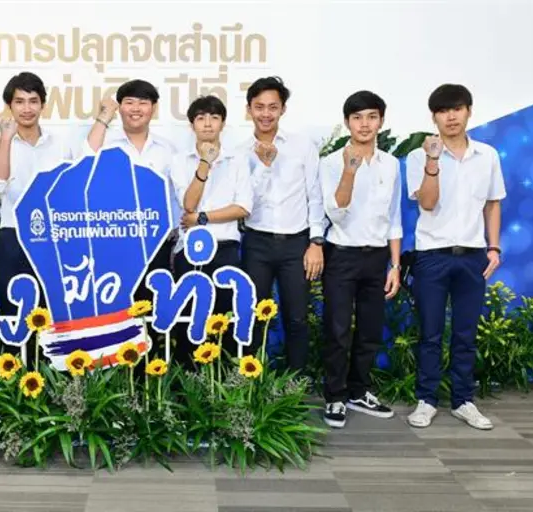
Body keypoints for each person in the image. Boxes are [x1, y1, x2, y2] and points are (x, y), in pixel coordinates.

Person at [406, 84, 505, 430]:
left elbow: (493, 203)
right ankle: (426, 400)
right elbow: (427, 202)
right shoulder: (419, 156)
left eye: (457, 109)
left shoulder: (487, 155)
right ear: (433, 117)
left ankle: (464, 401)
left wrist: (494, 247)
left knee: (465, 333)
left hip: (473, 256)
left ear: (469, 112)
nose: (451, 117)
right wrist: (433, 161)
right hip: (431, 256)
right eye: (443, 111)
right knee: (430, 333)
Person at [318, 91, 402, 428]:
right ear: (346, 123)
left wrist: (395, 265)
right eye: (357, 118)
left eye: (371, 117)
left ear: (381, 121)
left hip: (377, 256)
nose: (364, 124)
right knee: (337, 330)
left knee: (369, 329)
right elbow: (335, 213)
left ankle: (359, 391)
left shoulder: (391, 164)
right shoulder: (329, 163)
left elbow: (394, 217)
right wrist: (349, 172)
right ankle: (335, 396)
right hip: (342, 254)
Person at [84, 79, 178, 357]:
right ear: (120, 107)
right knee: (116, 313)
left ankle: (152, 375)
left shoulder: (167, 149)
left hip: (157, 245)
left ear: (154, 108)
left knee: (153, 314)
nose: (136, 109)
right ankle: (116, 374)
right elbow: (85, 161)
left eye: (143, 103)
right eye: (129, 102)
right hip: (115, 245)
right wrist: (103, 118)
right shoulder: (106, 143)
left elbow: (176, 196)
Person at [239, 76, 325, 372]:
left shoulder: (302, 146)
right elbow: (242, 201)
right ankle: (250, 384)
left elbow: (315, 195)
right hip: (256, 242)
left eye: (273, 107)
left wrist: (316, 242)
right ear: (249, 109)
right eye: (259, 107)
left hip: (296, 243)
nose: (266, 114)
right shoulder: (239, 151)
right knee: (253, 316)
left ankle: (295, 384)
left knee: (297, 317)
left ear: (283, 109)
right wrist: (263, 167)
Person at [0, 72, 72, 364]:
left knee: (52, 307)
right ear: (9, 106)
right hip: (14, 235)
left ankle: (53, 374)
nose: (27, 108)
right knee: (14, 307)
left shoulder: (59, 144)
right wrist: (5, 139)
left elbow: (68, 191)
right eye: (20, 101)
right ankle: (15, 372)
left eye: (33, 101)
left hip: (53, 238)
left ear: (43, 105)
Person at [170, 95, 253, 366]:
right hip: (190, 251)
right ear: (192, 124)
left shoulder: (237, 160)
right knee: (189, 318)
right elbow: (188, 204)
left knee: (224, 318)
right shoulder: (180, 160)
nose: (208, 124)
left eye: (214, 118)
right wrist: (204, 163)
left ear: (223, 124)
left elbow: (243, 207)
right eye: (201, 118)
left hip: (225, 248)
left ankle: (224, 379)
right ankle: (188, 381)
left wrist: (202, 218)